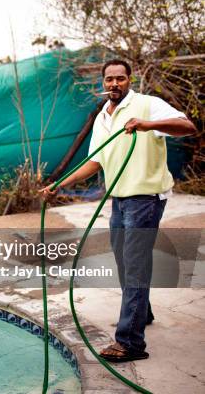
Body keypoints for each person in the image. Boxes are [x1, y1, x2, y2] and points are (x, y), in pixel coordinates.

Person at [39, 59, 196, 362]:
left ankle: (130, 342)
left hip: (146, 198)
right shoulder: (103, 117)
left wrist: (147, 125)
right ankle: (142, 313)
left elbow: (186, 126)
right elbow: (96, 161)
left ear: (129, 79)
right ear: (103, 82)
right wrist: (59, 184)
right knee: (124, 262)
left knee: (135, 264)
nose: (114, 84)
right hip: (119, 199)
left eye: (120, 79)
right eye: (109, 79)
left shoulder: (148, 105)